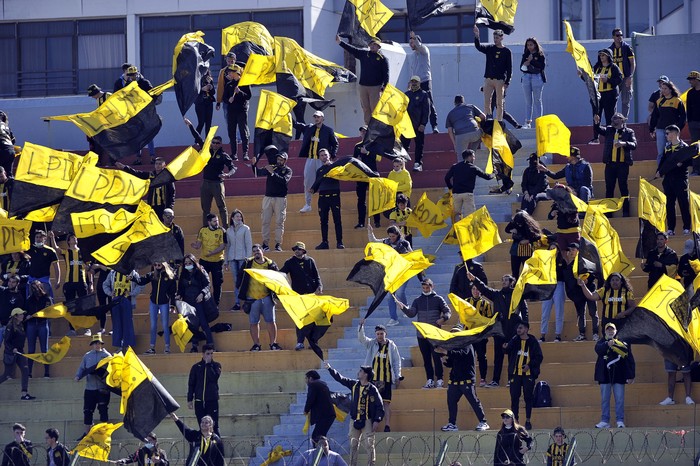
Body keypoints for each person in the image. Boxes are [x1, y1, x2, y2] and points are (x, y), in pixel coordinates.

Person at [467, 271, 527, 387]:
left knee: (512, 356)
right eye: (502, 280)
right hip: (499, 329)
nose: (503, 282)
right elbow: (484, 289)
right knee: (498, 357)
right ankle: (495, 380)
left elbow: (524, 309)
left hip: (513, 330)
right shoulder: (496, 295)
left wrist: (525, 325)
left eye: (506, 280)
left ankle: (511, 379)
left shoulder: (517, 294)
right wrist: (474, 279)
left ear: (511, 282)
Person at [325, 362, 384, 466]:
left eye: (361, 371)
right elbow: (341, 379)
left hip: (367, 420)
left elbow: (380, 406)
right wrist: (330, 369)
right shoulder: (354, 385)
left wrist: (377, 420)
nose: (358, 372)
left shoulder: (372, 389)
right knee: (353, 445)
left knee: (369, 445)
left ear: (365, 374)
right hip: (354, 420)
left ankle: (371, 464)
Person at [397, 278, 451, 389]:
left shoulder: (438, 299)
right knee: (426, 359)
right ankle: (430, 380)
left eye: (427, 287)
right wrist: (403, 308)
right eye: (424, 288)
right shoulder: (418, 300)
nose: (425, 290)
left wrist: (443, 318)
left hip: (434, 335)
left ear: (432, 287)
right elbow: (412, 313)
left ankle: (439, 379)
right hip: (421, 335)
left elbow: (448, 311)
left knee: (437, 357)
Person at [435, 327, 489, 432]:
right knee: (451, 401)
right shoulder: (453, 347)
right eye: (452, 333)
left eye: (455, 333)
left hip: (466, 379)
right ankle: (452, 423)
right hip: (455, 379)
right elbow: (452, 362)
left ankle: (483, 422)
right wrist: (444, 360)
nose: (454, 335)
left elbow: (461, 355)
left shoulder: (466, 344)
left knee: (473, 400)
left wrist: (445, 351)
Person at [280, 242, 326, 356]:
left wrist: (320, 286)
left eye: (299, 249)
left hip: (311, 294)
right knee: (300, 320)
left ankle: (313, 341)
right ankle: (300, 342)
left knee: (315, 319)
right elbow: (281, 274)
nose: (297, 251)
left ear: (304, 251)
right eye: (295, 249)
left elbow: (317, 275)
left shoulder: (310, 261)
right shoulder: (290, 262)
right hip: (298, 295)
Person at [358, 322, 402, 432]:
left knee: (386, 403)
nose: (379, 336)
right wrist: (361, 327)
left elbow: (396, 361)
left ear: (385, 333)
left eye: (381, 333)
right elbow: (362, 339)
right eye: (377, 334)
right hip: (373, 380)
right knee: (371, 402)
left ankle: (387, 425)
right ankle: (371, 425)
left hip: (386, 379)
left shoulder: (391, 346)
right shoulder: (371, 344)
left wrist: (398, 376)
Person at [336, 36, 389, 125]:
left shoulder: (383, 59)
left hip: (375, 87)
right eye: (371, 44)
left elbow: (386, 74)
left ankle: (376, 126)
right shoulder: (364, 54)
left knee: (375, 108)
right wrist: (340, 42)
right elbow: (353, 50)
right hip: (363, 86)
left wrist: (384, 86)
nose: (372, 46)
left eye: (375, 45)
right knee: (365, 108)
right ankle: (367, 126)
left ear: (379, 47)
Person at [237, 244, 281, 351]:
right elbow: (240, 278)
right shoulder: (248, 263)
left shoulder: (270, 264)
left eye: (258, 250)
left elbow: (278, 279)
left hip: (267, 297)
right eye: (254, 251)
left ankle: (273, 343)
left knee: (271, 321)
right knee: (253, 322)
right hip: (252, 298)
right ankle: (256, 344)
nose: (256, 252)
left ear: (262, 251)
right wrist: (242, 296)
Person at [593, 112, 637, 216]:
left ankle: (626, 211)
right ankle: (609, 212)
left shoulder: (629, 132)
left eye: (616, 118)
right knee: (609, 188)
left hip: (623, 164)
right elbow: (599, 129)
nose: (614, 120)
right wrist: (596, 123)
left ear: (622, 120)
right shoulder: (609, 130)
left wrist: (624, 143)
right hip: (610, 164)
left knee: (623, 187)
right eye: (613, 118)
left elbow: (634, 144)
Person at [368, 225, 413, 326]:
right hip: (391, 272)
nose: (392, 238)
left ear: (397, 235)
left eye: (393, 236)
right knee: (390, 296)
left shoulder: (404, 243)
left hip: (403, 271)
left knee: (400, 292)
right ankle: (393, 318)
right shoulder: (386, 242)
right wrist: (370, 231)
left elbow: (412, 255)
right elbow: (373, 241)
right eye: (390, 236)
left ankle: (406, 308)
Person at [296, 111, 339, 214]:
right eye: (315, 117)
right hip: (311, 158)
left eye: (318, 117)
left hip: (322, 160)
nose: (316, 119)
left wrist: (331, 156)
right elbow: (297, 125)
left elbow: (335, 144)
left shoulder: (328, 130)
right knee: (307, 181)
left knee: (325, 181)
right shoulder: (309, 128)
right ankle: (308, 204)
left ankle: (326, 204)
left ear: (322, 118)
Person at [594, 322, 635, 429]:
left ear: (616, 331)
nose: (610, 331)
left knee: (620, 399)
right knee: (604, 399)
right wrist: (608, 344)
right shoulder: (601, 342)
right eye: (608, 330)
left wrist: (631, 375)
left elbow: (629, 359)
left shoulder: (622, 342)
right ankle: (604, 420)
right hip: (604, 376)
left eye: (612, 329)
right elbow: (598, 349)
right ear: (605, 331)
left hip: (619, 375)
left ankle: (620, 420)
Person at [504, 321, 542, 430]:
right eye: (518, 328)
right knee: (514, 398)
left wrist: (529, 366)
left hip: (528, 375)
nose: (518, 330)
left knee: (528, 398)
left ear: (526, 329)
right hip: (515, 374)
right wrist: (505, 347)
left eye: (520, 328)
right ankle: (515, 421)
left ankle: (528, 420)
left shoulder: (533, 341)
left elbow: (539, 357)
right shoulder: (515, 339)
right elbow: (507, 350)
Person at [114, 65, 155, 164]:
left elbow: (153, 93)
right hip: (134, 112)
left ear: (137, 74)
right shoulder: (127, 84)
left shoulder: (144, 82)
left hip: (146, 111)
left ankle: (152, 156)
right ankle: (138, 157)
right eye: (130, 75)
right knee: (137, 135)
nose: (132, 77)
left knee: (149, 134)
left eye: (133, 75)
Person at [655, 125, 692, 235]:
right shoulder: (667, 147)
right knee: (669, 205)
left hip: (680, 180)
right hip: (668, 180)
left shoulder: (684, 147)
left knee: (683, 203)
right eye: (666, 133)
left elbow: (690, 162)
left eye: (668, 133)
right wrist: (659, 171)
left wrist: (682, 163)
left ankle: (686, 227)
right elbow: (663, 162)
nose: (666, 136)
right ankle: (671, 228)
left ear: (675, 134)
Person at [253, 150, 292, 252]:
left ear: (285, 160)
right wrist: (254, 165)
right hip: (268, 197)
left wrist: (273, 173)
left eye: (281, 159)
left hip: (280, 198)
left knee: (279, 222)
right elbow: (258, 173)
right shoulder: (272, 167)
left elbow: (284, 181)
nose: (279, 161)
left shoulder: (288, 170)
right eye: (278, 159)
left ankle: (278, 244)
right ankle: (265, 243)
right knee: (265, 221)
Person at [133, 262, 176, 354]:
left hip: (164, 303)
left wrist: (172, 305)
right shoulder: (152, 275)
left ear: (164, 265)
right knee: (153, 326)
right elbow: (141, 281)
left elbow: (173, 292)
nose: (157, 267)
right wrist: (132, 277)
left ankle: (167, 347)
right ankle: (152, 348)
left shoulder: (169, 276)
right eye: (155, 265)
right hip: (153, 302)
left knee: (165, 325)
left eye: (159, 265)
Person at [74, 334, 111, 440]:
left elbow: (112, 370)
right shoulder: (87, 355)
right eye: (95, 343)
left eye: (98, 343)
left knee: (103, 409)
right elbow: (82, 368)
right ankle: (87, 434)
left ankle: (104, 433)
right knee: (87, 411)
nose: (97, 345)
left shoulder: (106, 355)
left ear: (101, 344)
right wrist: (78, 376)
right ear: (92, 345)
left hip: (102, 387)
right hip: (90, 388)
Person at [473, 25, 512, 122]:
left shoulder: (507, 51)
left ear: (502, 38)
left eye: (497, 38)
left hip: (500, 80)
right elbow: (479, 47)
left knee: (499, 102)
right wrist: (477, 36)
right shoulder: (490, 48)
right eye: (494, 38)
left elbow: (509, 67)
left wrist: (507, 81)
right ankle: (488, 118)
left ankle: (499, 120)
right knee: (487, 101)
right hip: (489, 79)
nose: (495, 40)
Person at [176, 254, 215, 352]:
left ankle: (210, 343)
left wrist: (202, 294)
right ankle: (194, 345)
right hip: (188, 302)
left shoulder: (200, 271)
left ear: (194, 262)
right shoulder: (183, 274)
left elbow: (207, 285)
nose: (188, 265)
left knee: (203, 322)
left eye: (190, 263)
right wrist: (179, 295)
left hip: (199, 301)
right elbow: (181, 288)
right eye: (186, 263)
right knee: (191, 324)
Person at [585, 49, 622, 145]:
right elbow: (590, 79)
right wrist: (582, 75)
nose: (601, 57)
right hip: (597, 95)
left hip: (609, 95)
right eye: (600, 55)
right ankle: (596, 138)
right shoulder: (597, 67)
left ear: (608, 56)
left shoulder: (614, 67)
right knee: (596, 116)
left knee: (609, 116)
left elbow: (619, 79)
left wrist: (608, 80)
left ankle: (611, 136)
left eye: (603, 55)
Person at [445, 149, 494, 221]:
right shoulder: (473, 167)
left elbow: (446, 178)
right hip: (468, 194)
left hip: (456, 194)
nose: (474, 158)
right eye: (473, 156)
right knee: (470, 216)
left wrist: (451, 188)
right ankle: (468, 230)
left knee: (456, 214)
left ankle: (456, 229)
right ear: (469, 157)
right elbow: (487, 177)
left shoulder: (455, 167)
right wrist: (494, 173)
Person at [309, 149, 344, 249]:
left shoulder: (335, 167)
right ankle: (324, 242)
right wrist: (312, 190)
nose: (324, 157)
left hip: (334, 196)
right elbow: (317, 183)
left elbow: (341, 176)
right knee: (323, 221)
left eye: (325, 155)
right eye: (322, 155)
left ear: (329, 155)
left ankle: (339, 242)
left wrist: (330, 165)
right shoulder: (319, 170)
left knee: (337, 220)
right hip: (323, 197)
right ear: (319, 158)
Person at [199, 135, 236, 228]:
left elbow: (233, 167)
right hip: (206, 182)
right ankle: (205, 228)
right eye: (213, 142)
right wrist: (190, 126)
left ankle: (226, 228)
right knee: (205, 208)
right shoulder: (206, 151)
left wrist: (227, 175)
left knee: (221, 207)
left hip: (217, 183)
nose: (215, 144)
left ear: (221, 144)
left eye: (217, 143)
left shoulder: (223, 155)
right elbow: (199, 138)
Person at [103, 268, 142, 352]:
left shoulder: (133, 273)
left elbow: (141, 284)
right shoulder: (112, 273)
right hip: (115, 300)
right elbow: (105, 285)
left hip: (127, 300)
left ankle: (128, 345)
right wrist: (110, 293)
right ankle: (119, 346)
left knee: (127, 323)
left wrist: (132, 293)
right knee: (116, 323)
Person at [191, 214, 226, 307]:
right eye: (214, 221)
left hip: (217, 261)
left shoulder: (221, 231)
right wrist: (195, 246)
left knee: (217, 283)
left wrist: (212, 253)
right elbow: (198, 244)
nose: (217, 223)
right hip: (204, 260)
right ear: (209, 222)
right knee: (202, 281)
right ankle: (202, 301)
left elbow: (222, 246)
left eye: (217, 221)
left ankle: (216, 304)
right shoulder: (203, 230)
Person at [0, 309, 35, 400]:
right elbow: (7, 341)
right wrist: (12, 349)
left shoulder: (21, 325)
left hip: (20, 352)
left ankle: (24, 393)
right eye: (20, 314)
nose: (22, 315)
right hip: (11, 353)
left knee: (25, 371)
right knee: (7, 375)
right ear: (15, 316)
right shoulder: (10, 326)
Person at [188, 344, 221, 434]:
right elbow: (191, 384)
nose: (209, 356)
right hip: (199, 400)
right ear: (203, 354)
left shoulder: (216, 366)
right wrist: (189, 399)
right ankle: (203, 445)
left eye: (211, 353)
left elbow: (214, 378)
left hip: (212, 400)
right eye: (207, 354)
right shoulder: (196, 367)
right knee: (202, 425)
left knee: (214, 425)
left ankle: (216, 445)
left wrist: (208, 365)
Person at [650, 80, 687, 161]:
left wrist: (678, 128)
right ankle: (660, 172)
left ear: (671, 89)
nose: (663, 90)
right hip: (660, 129)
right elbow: (654, 116)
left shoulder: (677, 101)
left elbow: (683, 117)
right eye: (662, 88)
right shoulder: (659, 101)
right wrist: (652, 129)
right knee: (661, 153)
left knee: (673, 151)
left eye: (665, 88)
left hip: (672, 130)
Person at [409, 31, 438, 133]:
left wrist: (414, 38)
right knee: (415, 104)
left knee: (429, 103)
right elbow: (413, 70)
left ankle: (434, 125)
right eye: (410, 43)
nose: (411, 45)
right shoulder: (412, 56)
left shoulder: (424, 51)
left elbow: (419, 46)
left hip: (425, 80)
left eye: (412, 42)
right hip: (415, 82)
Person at [353, 126, 381, 229]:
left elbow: (379, 158)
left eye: (365, 131)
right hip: (361, 175)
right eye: (361, 131)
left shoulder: (374, 144)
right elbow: (354, 160)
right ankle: (361, 222)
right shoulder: (357, 146)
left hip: (372, 174)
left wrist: (368, 152)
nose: (363, 133)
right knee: (361, 200)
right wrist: (357, 159)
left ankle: (377, 221)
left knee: (374, 198)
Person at [466, 285, 493, 386]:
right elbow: (462, 317)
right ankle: (469, 378)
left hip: (481, 336)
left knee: (482, 357)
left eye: (477, 289)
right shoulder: (466, 302)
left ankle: (483, 378)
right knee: (468, 357)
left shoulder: (486, 304)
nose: (475, 291)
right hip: (469, 335)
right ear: (471, 290)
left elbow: (489, 320)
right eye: (473, 289)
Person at [225, 209, 252, 311]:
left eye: (240, 216)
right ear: (232, 218)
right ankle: (237, 303)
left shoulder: (245, 229)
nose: (239, 218)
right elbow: (228, 246)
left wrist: (248, 259)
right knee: (236, 281)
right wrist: (226, 261)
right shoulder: (228, 230)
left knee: (244, 280)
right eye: (237, 216)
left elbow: (248, 244)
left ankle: (247, 301)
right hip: (232, 258)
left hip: (243, 258)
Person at [24, 280, 52, 378]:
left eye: (36, 287)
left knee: (44, 349)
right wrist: (27, 316)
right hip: (31, 325)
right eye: (32, 288)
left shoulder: (46, 298)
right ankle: (29, 373)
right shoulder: (29, 299)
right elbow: (25, 311)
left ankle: (47, 373)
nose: (34, 290)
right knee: (31, 349)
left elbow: (49, 311)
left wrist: (36, 315)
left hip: (42, 324)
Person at [222, 65, 251, 161]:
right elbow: (224, 98)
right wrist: (228, 100)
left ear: (236, 73)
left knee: (243, 132)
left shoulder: (244, 83)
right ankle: (234, 154)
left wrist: (240, 92)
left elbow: (248, 96)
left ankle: (245, 153)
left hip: (241, 110)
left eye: (231, 72)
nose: (229, 73)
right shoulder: (228, 84)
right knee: (232, 132)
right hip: (231, 111)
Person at [402, 76, 430, 172]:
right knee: (404, 146)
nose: (414, 83)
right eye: (412, 81)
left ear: (419, 83)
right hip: (406, 126)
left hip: (418, 126)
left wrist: (423, 124)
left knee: (419, 145)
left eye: (416, 82)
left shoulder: (423, 94)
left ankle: (418, 163)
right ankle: (402, 164)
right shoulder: (406, 94)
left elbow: (426, 111)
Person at [504, 210, 543, 277]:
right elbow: (506, 229)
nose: (519, 225)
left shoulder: (528, 224)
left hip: (526, 249)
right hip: (515, 248)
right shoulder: (514, 222)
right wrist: (511, 230)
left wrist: (528, 240)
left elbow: (538, 236)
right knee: (515, 271)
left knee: (527, 270)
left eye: (520, 223)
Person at [519, 37, 546, 129]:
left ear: (535, 45)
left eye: (531, 44)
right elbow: (521, 67)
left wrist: (531, 61)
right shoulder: (525, 54)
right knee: (528, 101)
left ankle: (539, 122)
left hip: (537, 77)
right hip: (526, 77)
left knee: (537, 100)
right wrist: (527, 61)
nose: (529, 47)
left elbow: (541, 66)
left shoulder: (540, 55)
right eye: (528, 45)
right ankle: (527, 122)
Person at [303, 371, 336, 446]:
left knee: (316, 437)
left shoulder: (313, 385)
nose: (305, 381)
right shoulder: (322, 384)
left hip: (324, 416)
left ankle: (324, 455)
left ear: (310, 378)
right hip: (327, 415)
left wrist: (306, 410)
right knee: (321, 437)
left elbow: (310, 399)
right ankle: (326, 455)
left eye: (306, 378)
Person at [26, 229, 60, 300]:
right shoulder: (31, 249)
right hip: (32, 279)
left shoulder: (50, 251)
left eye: (40, 237)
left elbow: (56, 266)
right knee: (31, 301)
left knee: (46, 300)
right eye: (37, 237)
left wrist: (58, 280)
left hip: (44, 280)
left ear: (44, 238)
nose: (38, 239)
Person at [609, 28, 635, 118]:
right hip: (615, 80)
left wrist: (630, 77)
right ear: (613, 37)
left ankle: (623, 121)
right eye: (617, 35)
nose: (620, 37)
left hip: (625, 78)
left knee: (625, 101)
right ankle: (614, 120)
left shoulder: (627, 48)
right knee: (613, 100)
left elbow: (632, 63)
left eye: (621, 35)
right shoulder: (610, 50)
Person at [0, 275, 25, 348]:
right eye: (9, 281)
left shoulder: (19, 297)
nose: (10, 283)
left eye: (13, 282)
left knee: (9, 349)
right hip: (0, 324)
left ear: (17, 283)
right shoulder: (2, 291)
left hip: (10, 326)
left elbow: (19, 314)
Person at [216, 52, 237, 121]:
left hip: (237, 99)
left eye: (232, 61)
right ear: (226, 61)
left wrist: (234, 79)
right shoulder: (223, 72)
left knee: (239, 121)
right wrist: (218, 101)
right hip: (226, 99)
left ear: (235, 60)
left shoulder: (239, 70)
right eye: (229, 61)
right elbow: (220, 87)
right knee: (228, 120)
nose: (230, 63)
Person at [195, 68, 216, 137]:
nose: (204, 71)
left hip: (209, 102)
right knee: (201, 122)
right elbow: (193, 92)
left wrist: (211, 87)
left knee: (208, 123)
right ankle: (197, 140)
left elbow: (213, 92)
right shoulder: (196, 78)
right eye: (203, 69)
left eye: (206, 69)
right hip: (200, 103)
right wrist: (202, 89)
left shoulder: (209, 79)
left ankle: (208, 141)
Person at [0, 111, 16, 176]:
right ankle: (11, 185)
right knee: (8, 173)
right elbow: (13, 140)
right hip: (11, 150)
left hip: (2, 149)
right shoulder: (6, 126)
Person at [687, 71, 700, 143]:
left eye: (691, 80)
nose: (689, 82)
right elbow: (689, 108)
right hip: (693, 123)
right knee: (695, 145)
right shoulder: (690, 93)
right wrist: (690, 122)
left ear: (697, 80)